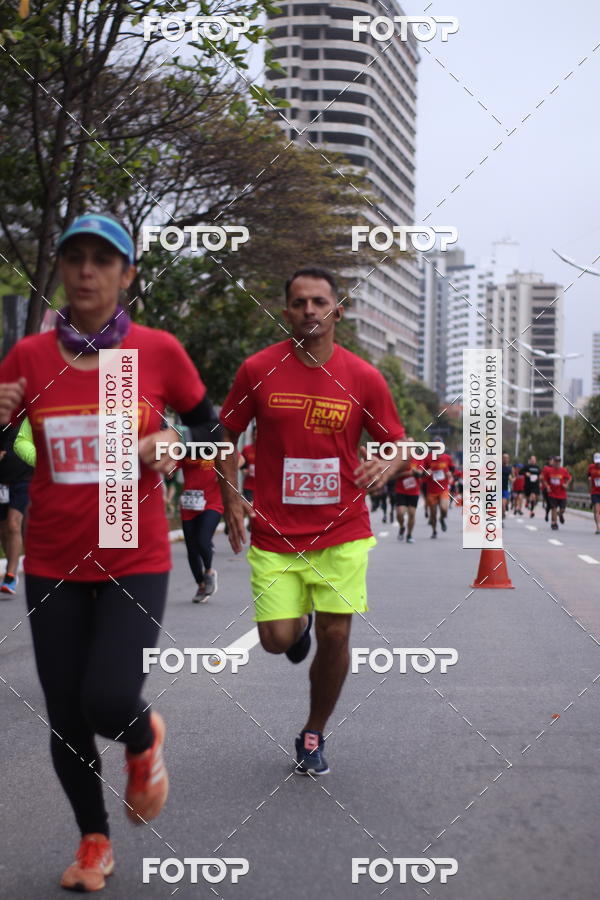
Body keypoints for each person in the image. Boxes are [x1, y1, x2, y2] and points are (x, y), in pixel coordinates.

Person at [0, 213, 221, 892]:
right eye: (75, 259)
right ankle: (94, 840)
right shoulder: (29, 359)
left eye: (103, 260)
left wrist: (175, 446)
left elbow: (210, 427)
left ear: (127, 275)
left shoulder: (156, 352)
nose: (87, 271)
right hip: (53, 559)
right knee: (66, 715)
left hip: (133, 553)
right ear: (62, 271)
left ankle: (142, 736)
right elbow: (7, 456)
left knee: (108, 698)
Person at [217, 267, 409, 776]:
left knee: (338, 636)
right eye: (299, 302)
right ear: (286, 312)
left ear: (336, 310)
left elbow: (399, 441)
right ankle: (294, 627)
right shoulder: (257, 370)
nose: (309, 310)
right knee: (277, 640)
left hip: (342, 529)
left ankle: (313, 731)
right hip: (275, 534)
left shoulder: (364, 377)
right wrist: (232, 498)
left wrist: (388, 462)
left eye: (319, 302)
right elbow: (225, 436)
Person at [179, 451, 223, 603]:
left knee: (203, 540)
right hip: (189, 504)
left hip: (212, 502)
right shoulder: (184, 447)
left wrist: (225, 471)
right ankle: (201, 585)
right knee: (192, 549)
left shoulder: (216, 443)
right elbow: (170, 469)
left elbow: (239, 459)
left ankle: (209, 571)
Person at [0, 420, 33, 594]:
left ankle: (11, 575)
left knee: (13, 524)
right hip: (2, 481)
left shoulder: (29, 411)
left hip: (23, 478)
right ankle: (9, 570)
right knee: (4, 529)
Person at [423, 442, 454, 538]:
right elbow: (422, 471)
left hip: (443, 488)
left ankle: (442, 519)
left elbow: (452, 469)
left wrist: (450, 474)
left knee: (444, 509)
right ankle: (434, 531)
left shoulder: (447, 458)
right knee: (433, 513)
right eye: (435, 448)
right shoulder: (427, 458)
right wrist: (426, 472)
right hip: (431, 490)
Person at [395, 436, 420, 543]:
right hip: (401, 490)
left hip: (414, 491)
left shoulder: (419, 458)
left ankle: (409, 535)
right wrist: (407, 473)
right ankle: (401, 527)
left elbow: (422, 473)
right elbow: (393, 475)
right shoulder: (399, 459)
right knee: (400, 513)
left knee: (411, 513)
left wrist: (416, 472)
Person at [541, 456, 572, 530]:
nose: (557, 463)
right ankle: (554, 523)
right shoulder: (549, 470)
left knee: (562, 510)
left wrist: (566, 484)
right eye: (556, 461)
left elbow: (569, 478)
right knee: (553, 508)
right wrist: (547, 486)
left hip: (562, 494)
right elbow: (543, 479)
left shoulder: (563, 470)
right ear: (553, 462)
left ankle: (560, 514)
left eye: (559, 462)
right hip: (552, 493)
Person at [240, 425, 257, 505]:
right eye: (255, 434)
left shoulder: (267, 450)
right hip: (248, 486)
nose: (256, 437)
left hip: (263, 487)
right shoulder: (247, 449)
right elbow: (242, 464)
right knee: (250, 508)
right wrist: (244, 470)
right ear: (252, 435)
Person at [587, 452, 600, 534]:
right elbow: (588, 476)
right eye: (597, 462)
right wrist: (589, 480)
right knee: (596, 510)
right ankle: (598, 527)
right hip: (595, 491)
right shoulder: (591, 467)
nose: (598, 464)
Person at [501, 452, 513, 520]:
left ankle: (502, 517)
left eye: (507, 458)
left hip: (505, 489)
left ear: (508, 459)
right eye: (504, 458)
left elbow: (513, 477)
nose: (505, 459)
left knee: (503, 505)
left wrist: (511, 479)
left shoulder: (510, 468)